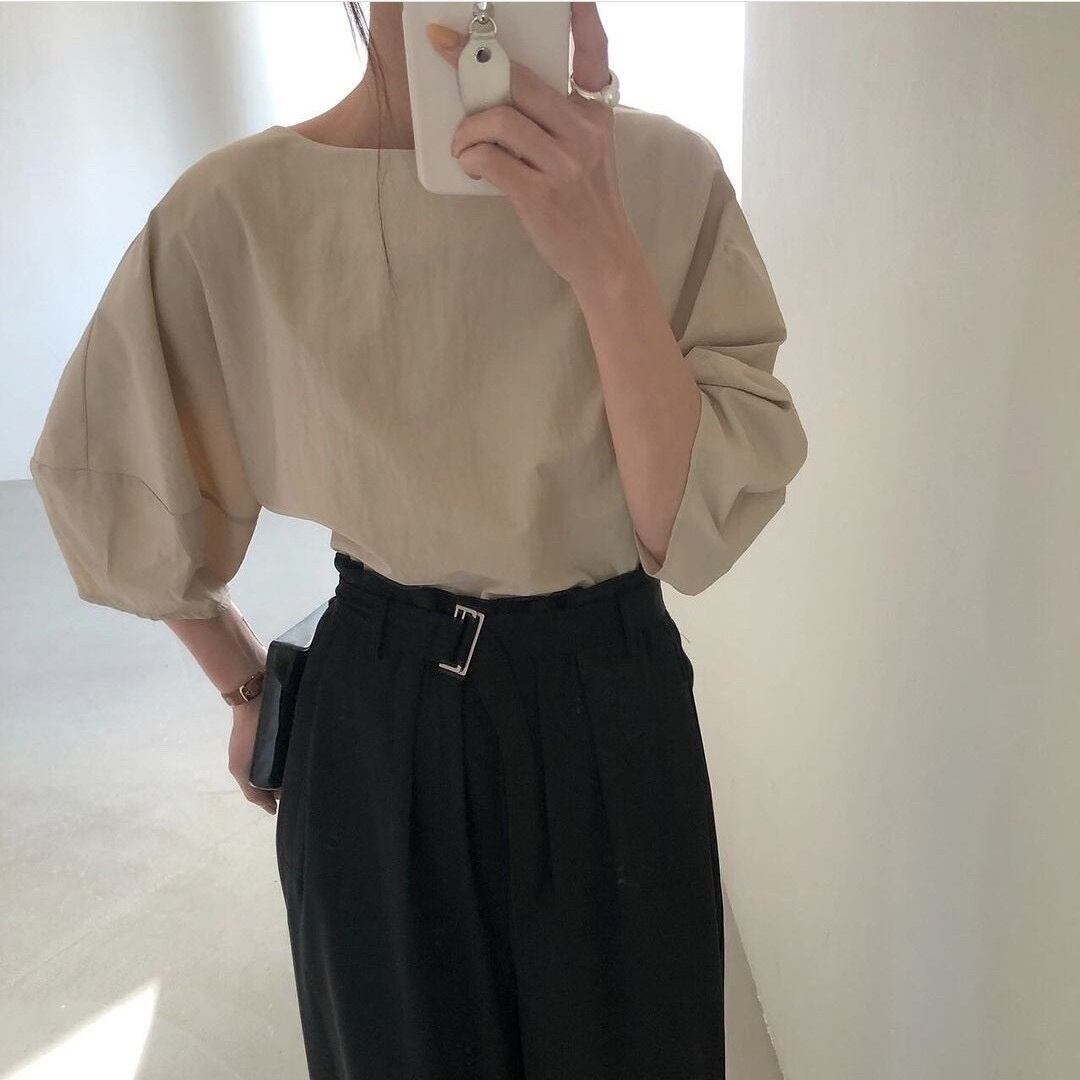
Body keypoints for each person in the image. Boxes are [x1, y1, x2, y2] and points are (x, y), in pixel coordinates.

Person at [29, 2, 808, 1077]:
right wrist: (249, 687)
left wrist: (604, 258)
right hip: (375, 718)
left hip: (608, 706)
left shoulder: (668, 179)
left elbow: (690, 525)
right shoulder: (239, 208)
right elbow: (104, 468)